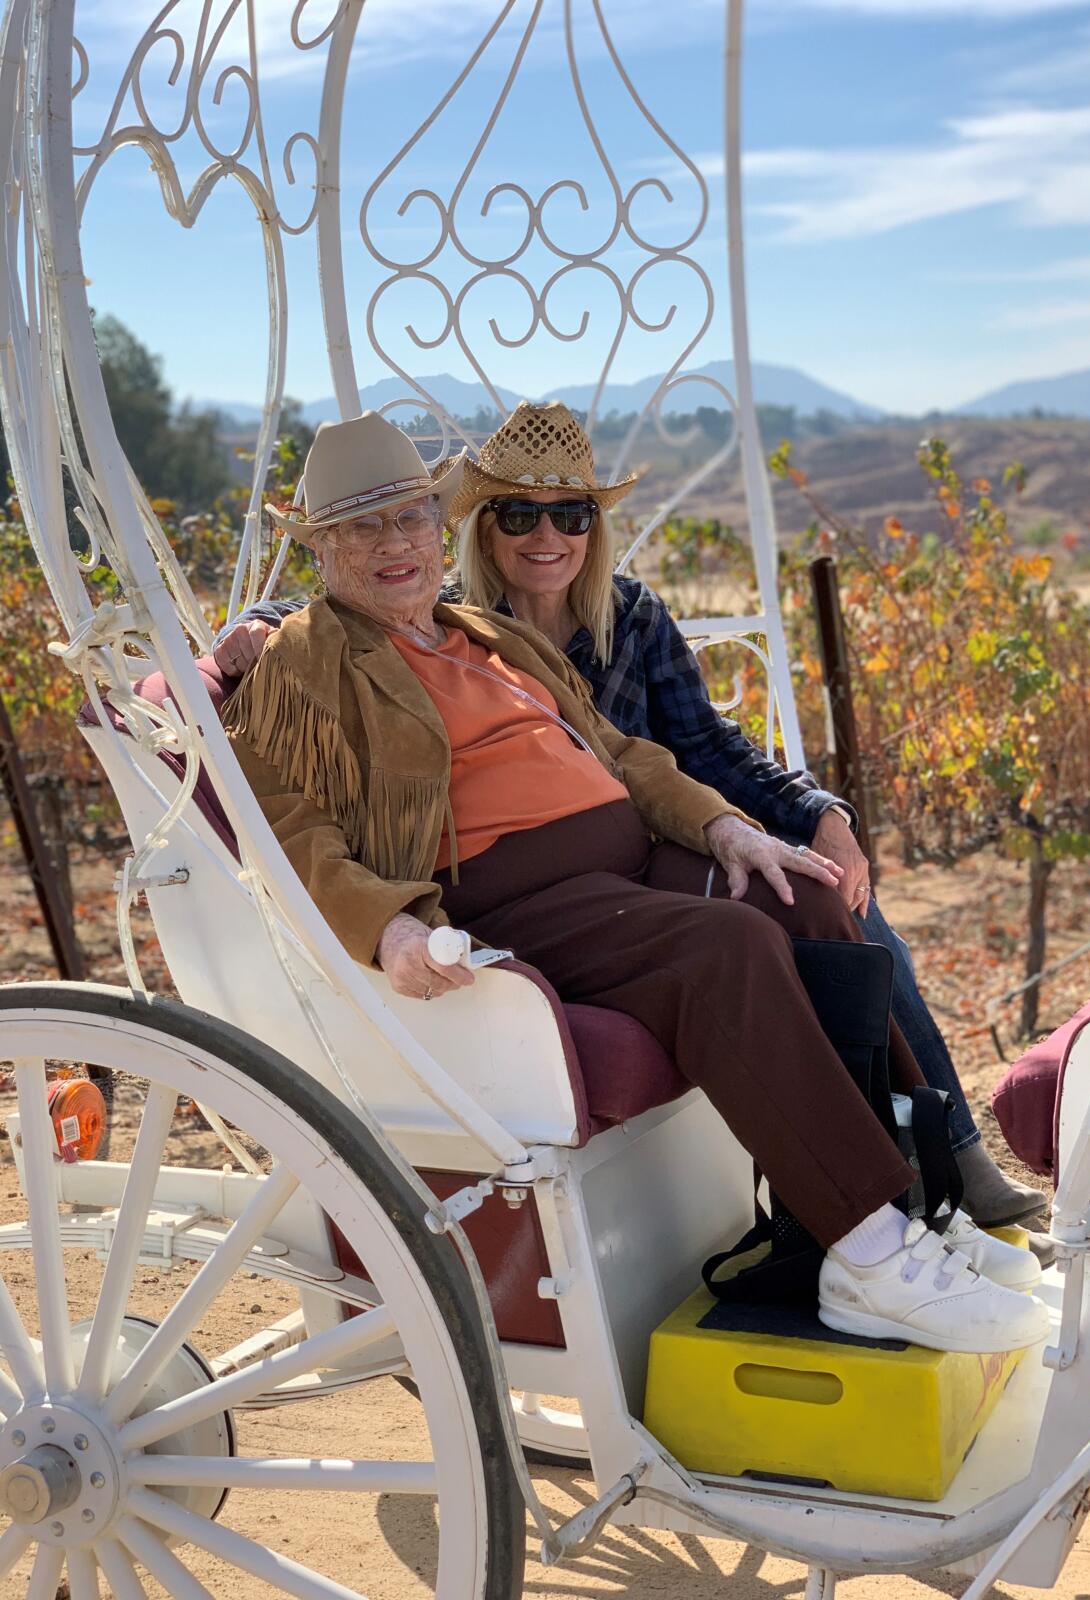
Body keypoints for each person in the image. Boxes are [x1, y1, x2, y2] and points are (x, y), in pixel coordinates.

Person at [221, 410, 1047, 1354]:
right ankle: (869, 1256)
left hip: (624, 859)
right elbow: (288, 826)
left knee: (802, 897)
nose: (395, 544)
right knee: (724, 946)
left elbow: (623, 749)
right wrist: (389, 927)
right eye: (364, 527)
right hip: (507, 890)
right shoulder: (304, 663)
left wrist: (729, 827)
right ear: (323, 547)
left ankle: (914, 1205)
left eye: (410, 518)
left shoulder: (480, 632)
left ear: (441, 525)